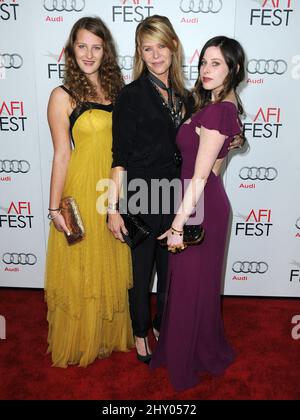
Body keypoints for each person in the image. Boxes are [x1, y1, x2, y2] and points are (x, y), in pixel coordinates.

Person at [108, 17, 243, 364]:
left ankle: (165, 327)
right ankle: (141, 334)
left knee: (172, 273)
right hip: (140, 194)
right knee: (141, 273)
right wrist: (112, 207)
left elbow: (208, 143)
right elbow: (119, 156)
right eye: (147, 48)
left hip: (178, 196)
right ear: (140, 53)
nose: (155, 55)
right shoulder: (131, 95)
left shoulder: (187, 96)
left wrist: (233, 141)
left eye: (161, 46)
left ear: (173, 47)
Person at [150, 36, 246, 391]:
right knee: (194, 286)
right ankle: (197, 348)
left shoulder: (221, 110)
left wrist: (177, 225)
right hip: (198, 201)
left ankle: (192, 355)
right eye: (204, 62)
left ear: (233, 69)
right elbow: (214, 167)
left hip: (200, 206)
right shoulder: (219, 105)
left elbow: (204, 174)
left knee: (192, 286)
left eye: (216, 63)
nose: (206, 69)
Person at [45, 16, 134, 368]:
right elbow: (61, 154)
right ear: (71, 50)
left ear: (106, 51)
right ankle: (83, 339)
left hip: (112, 187)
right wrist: (55, 209)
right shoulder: (62, 95)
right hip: (82, 190)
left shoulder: (118, 92)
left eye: (96, 47)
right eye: (82, 46)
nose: (89, 53)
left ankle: (106, 336)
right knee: (82, 265)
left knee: (108, 263)